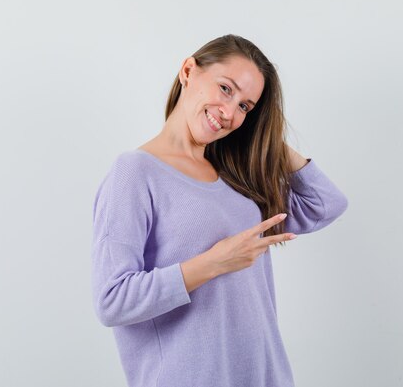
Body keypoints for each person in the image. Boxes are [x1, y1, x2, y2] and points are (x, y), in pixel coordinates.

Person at [91, 34, 348, 387]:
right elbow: (113, 300)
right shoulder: (135, 172)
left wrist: (264, 132)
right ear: (188, 71)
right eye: (225, 89)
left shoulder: (235, 177)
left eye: (245, 106)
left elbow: (325, 204)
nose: (229, 112)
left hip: (265, 375)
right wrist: (214, 263)